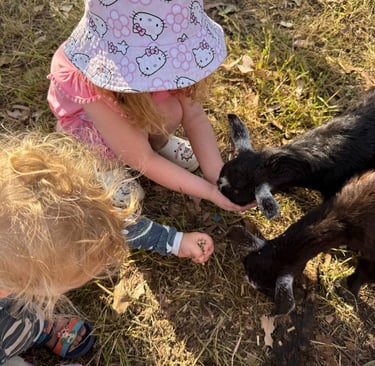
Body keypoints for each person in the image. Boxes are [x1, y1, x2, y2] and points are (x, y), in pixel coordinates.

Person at [0, 131, 213, 365]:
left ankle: (39, 325)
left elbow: (107, 226)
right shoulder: (15, 259)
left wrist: (173, 241)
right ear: (35, 283)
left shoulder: (25, 232)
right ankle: (34, 329)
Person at [47, 0, 252, 213]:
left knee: (172, 109)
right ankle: (106, 167)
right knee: (108, 146)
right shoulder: (92, 79)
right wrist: (208, 192)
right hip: (92, 123)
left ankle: (158, 143)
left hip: (135, 108)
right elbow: (142, 158)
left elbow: (194, 116)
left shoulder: (173, 64)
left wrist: (218, 175)